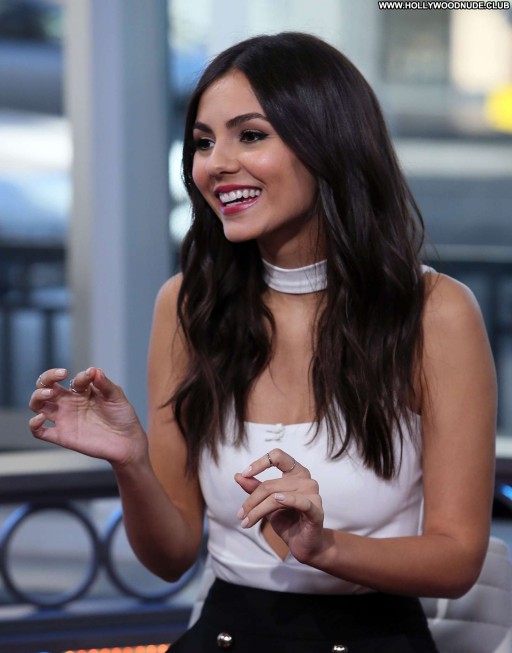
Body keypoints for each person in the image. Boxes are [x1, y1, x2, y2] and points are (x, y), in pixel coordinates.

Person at [29, 32, 496, 653]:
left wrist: (324, 548)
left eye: (250, 135)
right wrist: (130, 461)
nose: (215, 164)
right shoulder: (188, 304)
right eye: (203, 142)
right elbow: (171, 557)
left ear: (328, 143)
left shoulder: (435, 312)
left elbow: (457, 558)